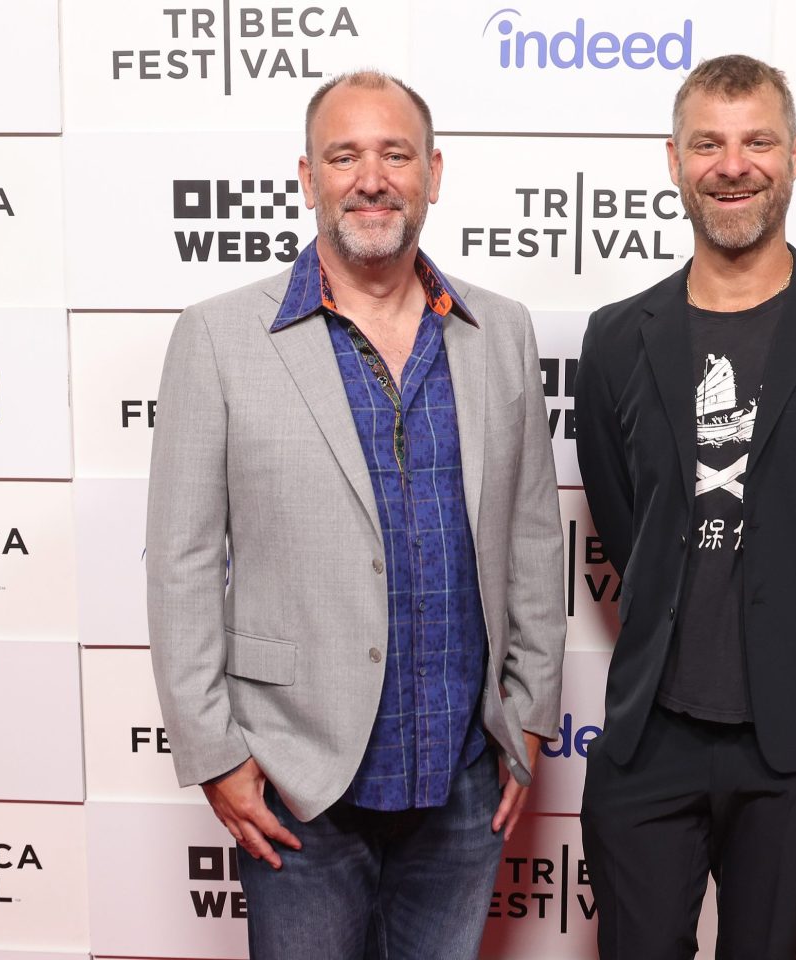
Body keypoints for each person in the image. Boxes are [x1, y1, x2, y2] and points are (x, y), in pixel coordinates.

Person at [146, 70, 565, 960]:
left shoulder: (503, 330)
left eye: (395, 154)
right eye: (345, 155)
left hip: (462, 778)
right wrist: (214, 754)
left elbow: (534, 535)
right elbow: (180, 561)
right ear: (308, 177)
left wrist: (527, 720)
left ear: (434, 173)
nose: (371, 178)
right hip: (297, 783)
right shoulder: (218, 337)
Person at [575, 54, 796, 959]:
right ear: (674, 160)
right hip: (648, 735)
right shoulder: (619, 337)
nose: (732, 165)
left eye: (757, 142)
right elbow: (622, 515)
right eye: (708, 142)